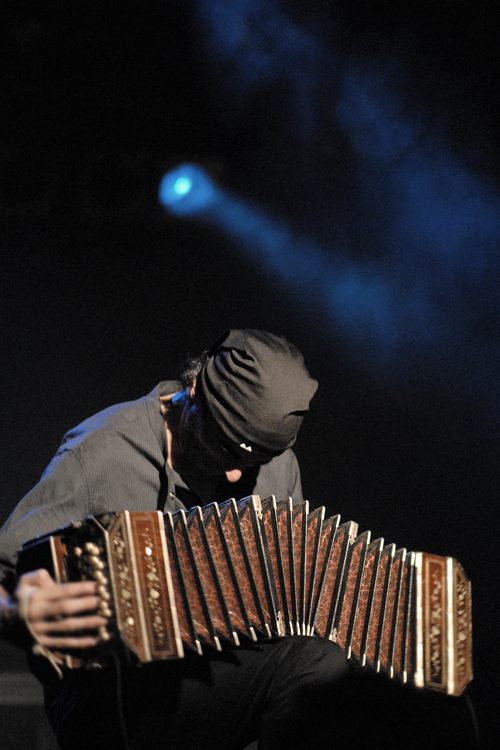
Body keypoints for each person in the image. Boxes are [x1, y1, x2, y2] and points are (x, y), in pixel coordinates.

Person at [0, 329, 476, 750]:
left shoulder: (276, 467)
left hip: (229, 689)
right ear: (192, 392)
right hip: (114, 704)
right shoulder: (102, 454)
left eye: (252, 460)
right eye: (223, 446)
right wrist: (23, 608)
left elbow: (287, 612)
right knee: (317, 665)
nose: (234, 471)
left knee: (417, 697)